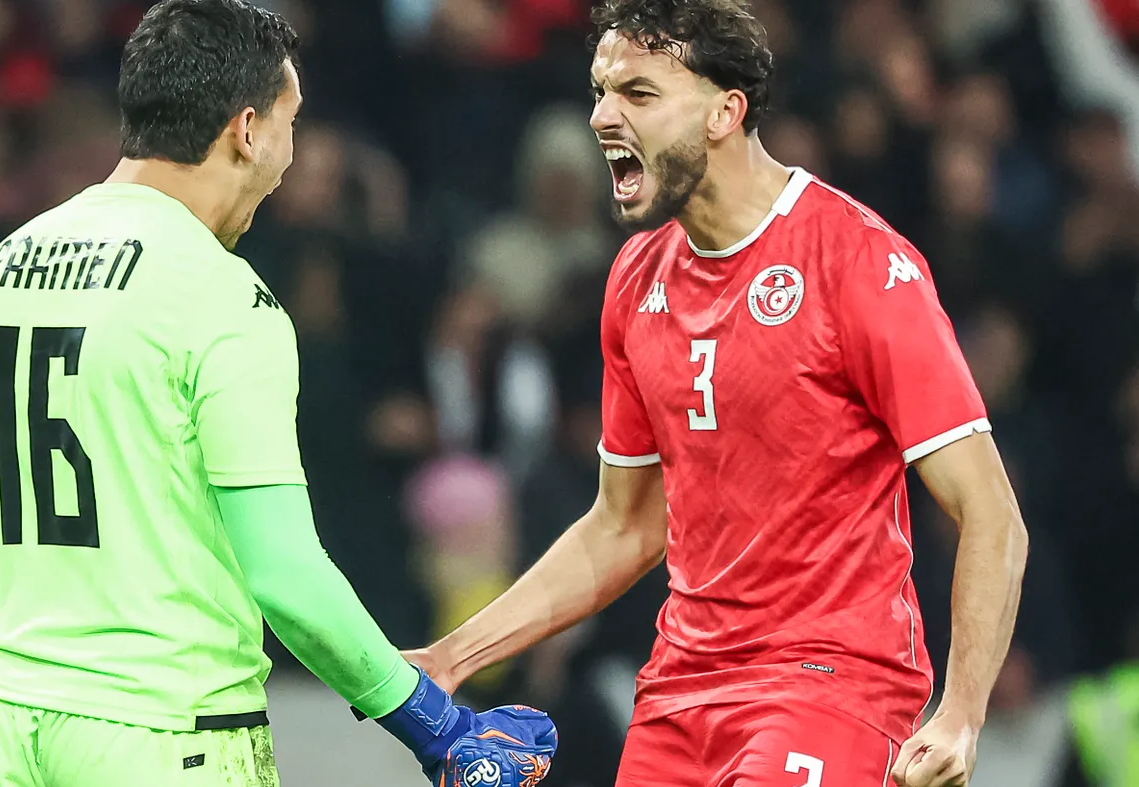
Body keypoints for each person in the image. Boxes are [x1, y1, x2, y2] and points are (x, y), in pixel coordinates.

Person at [0, 2, 557, 786]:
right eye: (292, 124)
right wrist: (436, 724)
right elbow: (285, 574)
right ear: (248, 130)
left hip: (2, 730)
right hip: (167, 737)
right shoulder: (220, 295)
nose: (291, 158)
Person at [405, 2, 1029, 786]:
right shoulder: (636, 280)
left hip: (827, 682)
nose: (601, 117)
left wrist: (961, 714)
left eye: (638, 93)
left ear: (724, 113)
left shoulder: (855, 259)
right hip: (679, 694)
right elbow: (623, 525)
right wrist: (452, 656)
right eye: (600, 92)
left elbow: (992, 514)